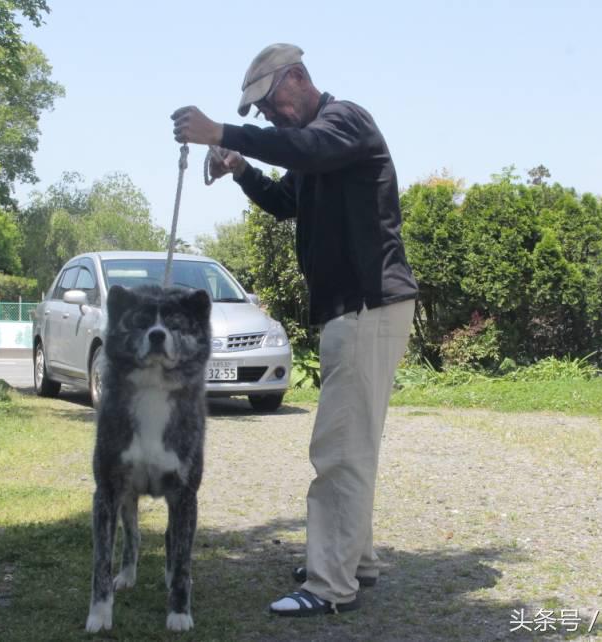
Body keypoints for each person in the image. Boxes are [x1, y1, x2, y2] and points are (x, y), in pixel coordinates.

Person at [171, 43, 418, 617]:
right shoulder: (318, 153)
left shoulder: (344, 122)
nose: (271, 116)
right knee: (353, 444)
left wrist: (225, 132)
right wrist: (241, 168)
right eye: (259, 112)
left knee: (338, 448)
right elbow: (287, 200)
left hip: (366, 307)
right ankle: (355, 560)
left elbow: (304, 148)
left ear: (299, 78)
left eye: (271, 102)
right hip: (354, 310)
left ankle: (330, 584)